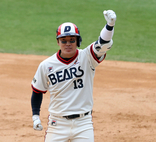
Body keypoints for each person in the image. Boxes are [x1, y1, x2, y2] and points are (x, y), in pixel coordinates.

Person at [31, 10, 117, 142]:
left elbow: (102, 44)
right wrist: (35, 116)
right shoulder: (46, 65)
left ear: (78, 41)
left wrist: (109, 25)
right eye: (63, 40)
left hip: (83, 123)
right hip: (57, 124)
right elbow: (37, 91)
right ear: (58, 42)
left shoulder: (87, 57)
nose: (68, 44)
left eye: (72, 40)